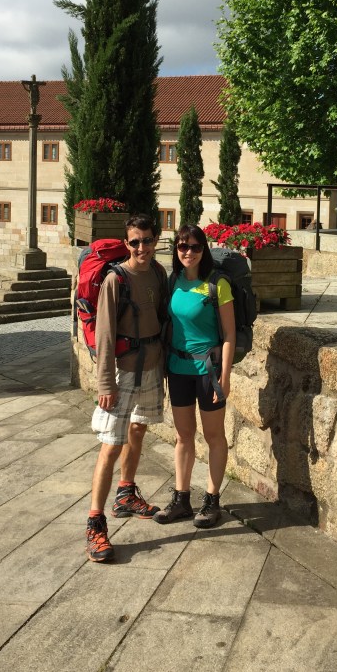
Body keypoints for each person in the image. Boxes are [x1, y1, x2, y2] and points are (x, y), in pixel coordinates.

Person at [85, 214, 168, 563]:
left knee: (138, 430)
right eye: (134, 242)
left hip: (150, 367)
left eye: (147, 240)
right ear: (126, 242)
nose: (141, 248)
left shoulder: (159, 272)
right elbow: (103, 333)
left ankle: (126, 493)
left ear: (155, 239)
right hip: (121, 371)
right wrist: (105, 382)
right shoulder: (115, 280)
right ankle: (95, 523)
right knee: (111, 446)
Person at [154, 224, 235, 529]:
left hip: (208, 372)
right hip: (178, 370)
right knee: (182, 437)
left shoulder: (217, 285)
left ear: (204, 250)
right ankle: (182, 499)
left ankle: (213, 501)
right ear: (175, 250)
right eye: (182, 247)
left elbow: (228, 335)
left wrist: (225, 378)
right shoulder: (173, 281)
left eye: (195, 247)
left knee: (214, 436)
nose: (188, 252)